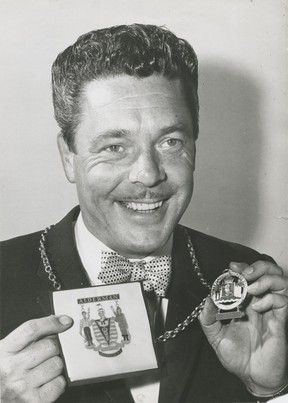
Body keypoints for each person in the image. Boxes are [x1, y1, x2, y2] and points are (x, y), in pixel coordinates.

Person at [0, 23, 287, 403]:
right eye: (115, 146)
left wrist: (270, 389)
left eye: (170, 142)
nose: (148, 174)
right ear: (68, 158)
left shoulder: (249, 287)